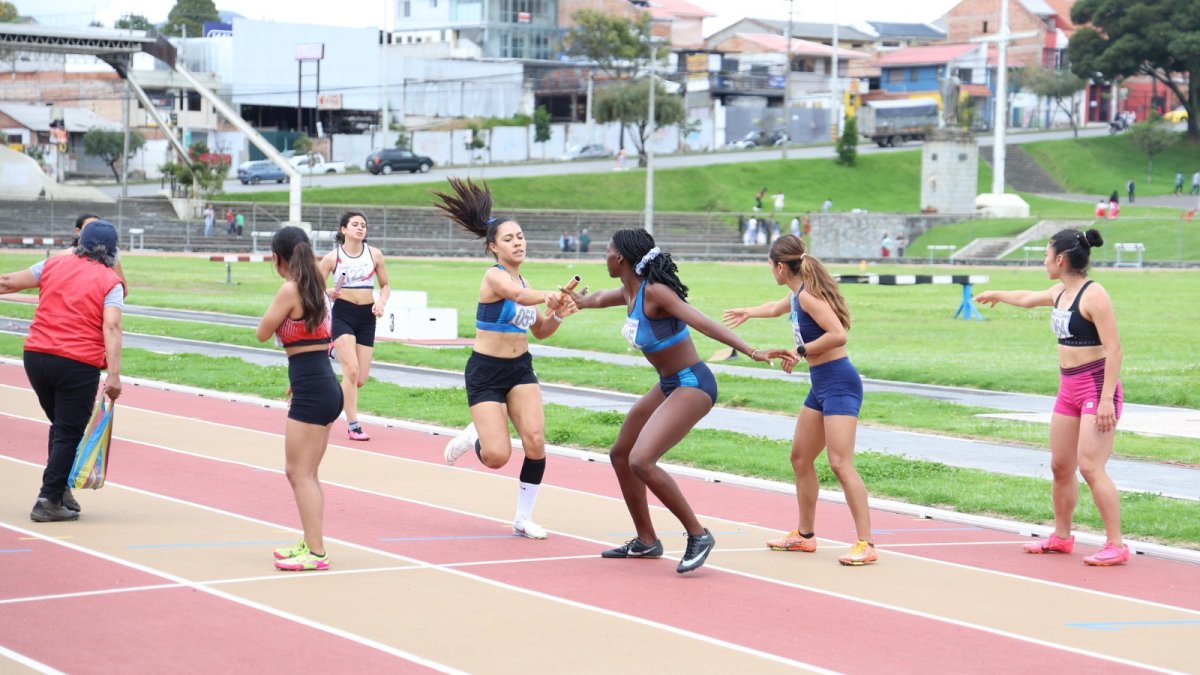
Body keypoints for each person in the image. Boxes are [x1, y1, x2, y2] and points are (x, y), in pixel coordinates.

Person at [564, 228, 772, 574]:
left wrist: (752, 351)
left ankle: (699, 534)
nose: (604, 256)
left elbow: (701, 322)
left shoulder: (656, 293)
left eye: (607, 251)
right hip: (669, 383)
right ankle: (646, 540)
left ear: (621, 259)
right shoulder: (629, 291)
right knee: (620, 453)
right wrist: (578, 302)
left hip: (693, 383)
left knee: (641, 460)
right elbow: (599, 297)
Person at [975, 228, 1129, 566]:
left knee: (1090, 466)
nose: (1044, 260)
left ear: (1060, 259)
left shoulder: (1094, 295)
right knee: (1061, 467)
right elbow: (1029, 298)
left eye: (1046, 254)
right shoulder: (1060, 292)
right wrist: (998, 294)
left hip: (1096, 388)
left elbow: (1115, 350)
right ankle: (1061, 537)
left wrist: (1105, 401)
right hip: (1068, 389)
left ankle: (1116, 544)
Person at [723, 235, 877, 566]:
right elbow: (774, 307)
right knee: (800, 458)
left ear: (780, 267)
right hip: (820, 384)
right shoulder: (795, 294)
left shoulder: (808, 297)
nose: (770, 270)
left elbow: (838, 334)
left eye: (770, 265)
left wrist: (801, 350)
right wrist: (747, 312)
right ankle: (804, 536)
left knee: (840, 463)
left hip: (839, 382)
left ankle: (866, 542)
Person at [437, 178, 576, 540]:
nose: (518, 243)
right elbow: (518, 295)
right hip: (485, 371)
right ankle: (477, 437)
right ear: (494, 247)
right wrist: (549, 295)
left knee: (535, 441)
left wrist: (561, 313)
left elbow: (541, 331)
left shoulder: (525, 281)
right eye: (509, 239)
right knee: (497, 456)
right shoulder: (495, 278)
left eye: (521, 237)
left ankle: (523, 517)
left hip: (520, 369)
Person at [0, 220, 124, 522]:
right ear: (113, 254)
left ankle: (59, 488)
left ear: (79, 244)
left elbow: (7, 283)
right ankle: (48, 499)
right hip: (77, 362)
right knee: (68, 432)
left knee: (62, 426)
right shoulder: (111, 282)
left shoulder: (52, 265)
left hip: (37, 357)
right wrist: (114, 375)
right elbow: (111, 325)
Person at [256, 226, 343, 571]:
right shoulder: (317, 288)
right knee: (309, 473)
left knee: (298, 473)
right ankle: (311, 541)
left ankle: (317, 553)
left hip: (313, 389)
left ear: (278, 257)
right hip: (322, 383)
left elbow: (263, 333)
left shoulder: (290, 289)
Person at [318, 210, 390, 441]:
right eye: (355, 224)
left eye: (363, 225)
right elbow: (314, 287)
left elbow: (386, 285)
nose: (360, 228)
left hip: (367, 316)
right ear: (344, 230)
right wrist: (327, 291)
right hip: (344, 314)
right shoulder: (332, 258)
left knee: (359, 379)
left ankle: (325, 391)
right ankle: (353, 425)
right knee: (350, 370)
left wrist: (381, 302)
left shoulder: (374, 254)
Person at [62, 214, 128, 296]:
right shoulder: (65, 256)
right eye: (89, 227)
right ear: (78, 231)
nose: (96, 230)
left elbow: (123, 292)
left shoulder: (111, 259)